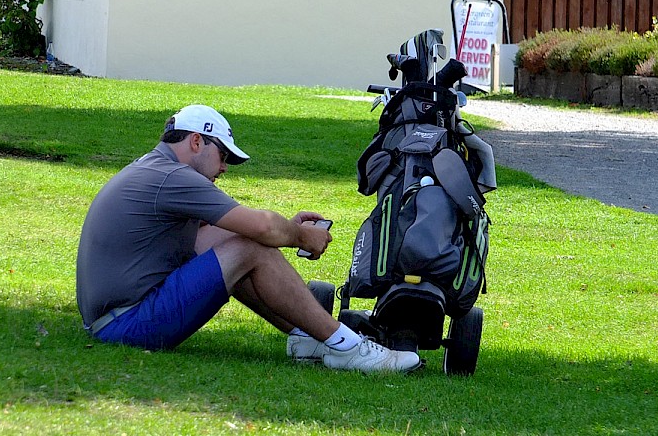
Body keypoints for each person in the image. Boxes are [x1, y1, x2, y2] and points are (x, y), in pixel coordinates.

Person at [76, 104, 421, 373]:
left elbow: (222, 234)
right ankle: (349, 347)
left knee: (241, 242)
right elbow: (262, 229)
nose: (224, 167)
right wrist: (300, 236)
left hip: (113, 322)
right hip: (127, 325)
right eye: (223, 155)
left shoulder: (154, 168)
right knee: (249, 247)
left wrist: (284, 228)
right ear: (197, 141)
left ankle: (306, 338)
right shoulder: (174, 177)